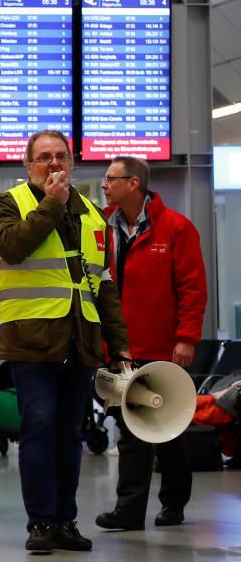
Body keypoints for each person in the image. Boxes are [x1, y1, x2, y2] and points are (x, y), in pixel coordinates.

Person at [0, 130, 130, 554]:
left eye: (60, 156)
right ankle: (41, 523)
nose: (53, 164)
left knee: (70, 434)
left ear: (72, 163)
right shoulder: (5, 205)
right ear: (27, 165)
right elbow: (12, 246)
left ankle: (66, 519)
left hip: (80, 341)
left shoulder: (91, 215)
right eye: (43, 157)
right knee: (39, 427)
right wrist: (52, 204)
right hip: (31, 341)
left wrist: (119, 344)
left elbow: (103, 285)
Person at [95, 155, 207, 532]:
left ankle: (174, 502)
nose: (104, 185)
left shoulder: (176, 228)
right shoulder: (100, 228)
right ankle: (129, 511)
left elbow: (192, 288)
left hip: (163, 348)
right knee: (130, 429)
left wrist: (186, 337)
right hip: (121, 348)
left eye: (112, 179)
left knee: (169, 430)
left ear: (134, 183)